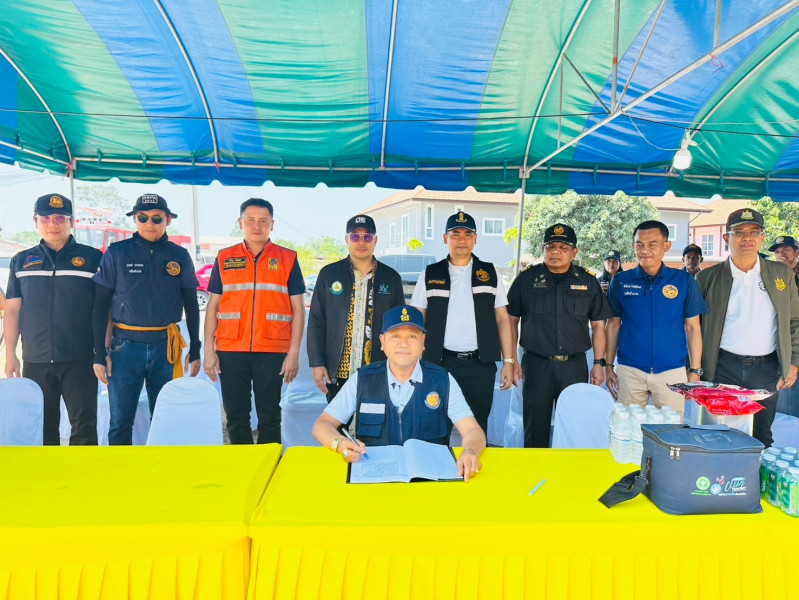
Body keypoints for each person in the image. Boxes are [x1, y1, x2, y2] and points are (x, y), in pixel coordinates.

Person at [312, 305, 485, 481]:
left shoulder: (442, 380)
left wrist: (470, 451)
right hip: (376, 480)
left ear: (423, 341)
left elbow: (473, 430)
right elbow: (322, 425)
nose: (404, 344)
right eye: (395, 336)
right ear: (382, 341)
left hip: (429, 481)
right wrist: (340, 443)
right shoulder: (363, 379)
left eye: (412, 336)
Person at [92, 193, 201, 445]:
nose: (149, 223)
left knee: (165, 419)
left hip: (166, 347)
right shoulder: (117, 253)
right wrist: (99, 353)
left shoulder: (180, 256)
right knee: (120, 421)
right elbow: (100, 305)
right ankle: (121, 468)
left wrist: (195, 348)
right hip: (124, 348)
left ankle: (162, 467)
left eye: (156, 218)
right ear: (135, 219)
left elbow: (192, 305)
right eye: (143, 218)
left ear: (168, 220)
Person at [204, 198, 305, 444]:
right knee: (236, 416)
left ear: (272, 224)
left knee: (270, 416)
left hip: (272, 350)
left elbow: (298, 309)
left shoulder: (287, 258)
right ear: (240, 223)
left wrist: (294, 353)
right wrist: (208, 350)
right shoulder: (225, 257)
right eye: (250, 220)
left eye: (263, 221)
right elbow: (213, 306)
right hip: (230, 349)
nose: (256, 226)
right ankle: (243, 464)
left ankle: (268, 463)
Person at [4, 193, 102, 445]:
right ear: (35, 221)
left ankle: (82, 470)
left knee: (84, 424)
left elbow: (104, 309)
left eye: (60, 218)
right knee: (43, 426)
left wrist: (103, 352)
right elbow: (12, 310)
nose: (52, 224)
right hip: (36, 359)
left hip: (80, 358)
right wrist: (10, 354)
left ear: (72, 221)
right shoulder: (21, 261)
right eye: (45, 218)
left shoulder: (93, 259)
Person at [696, 209, 799, 446]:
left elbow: (794, 320)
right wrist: (696, 370)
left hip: (766, 369)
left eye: (754, 232)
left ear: (762, 238)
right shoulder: (707, 278)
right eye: (739, 232)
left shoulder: (781, 273)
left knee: (761, 436)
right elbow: (695, 328)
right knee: (719, 436)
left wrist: (794, 361)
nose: (747, 238)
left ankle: (759, 472)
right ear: (726, 238)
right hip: (722, 368)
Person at [507, 224, 614, 447]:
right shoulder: (526, 280)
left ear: (574, 252)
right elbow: (510, 321)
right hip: (536, 366)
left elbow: (598, 326)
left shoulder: (587, 281)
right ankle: (537, 468)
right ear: (543, 249)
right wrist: (512, 359)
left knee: (574, 428)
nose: (556, 251)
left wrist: (598, 364)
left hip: (574, 367)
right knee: (534, 430)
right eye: (550, 246)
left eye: (563, 247)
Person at [409, 211, 516, 435]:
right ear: (445, 239)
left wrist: (509, 361)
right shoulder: (430, 273)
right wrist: (413, 359)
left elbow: (502, 318)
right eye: (455, 234)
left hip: (480, 365)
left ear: (475, 239)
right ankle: (437, 460)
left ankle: (474, 459)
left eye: (467, 234)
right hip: (440, 363)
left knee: (477, 427)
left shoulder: (489, 272)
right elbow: (417, 318)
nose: (462, 239)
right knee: (435, 426)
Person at [605, 220, 707, 418]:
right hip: (630, 370)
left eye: (652, 244)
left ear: (666, 246)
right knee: (627, 428)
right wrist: (608, 366)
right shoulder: (621, 281)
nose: (645, 250)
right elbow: (613, 325)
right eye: (639, 244)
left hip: (672, 371)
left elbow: (693, 327)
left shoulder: (683, 280)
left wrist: (695, 370)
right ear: (633, 246)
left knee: (671, 430)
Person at [307, 214, 404, 402]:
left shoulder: (391, 278)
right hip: (338, 373)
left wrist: (399, 364)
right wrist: (317, 363)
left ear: (375, 240)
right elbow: (317, 321)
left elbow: (399, 327)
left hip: (378, 371)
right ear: (346, 240)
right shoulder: (329, 274)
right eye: (355, 236)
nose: (361, 242)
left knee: (374, 420)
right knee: (338, 421)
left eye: (367, 237)